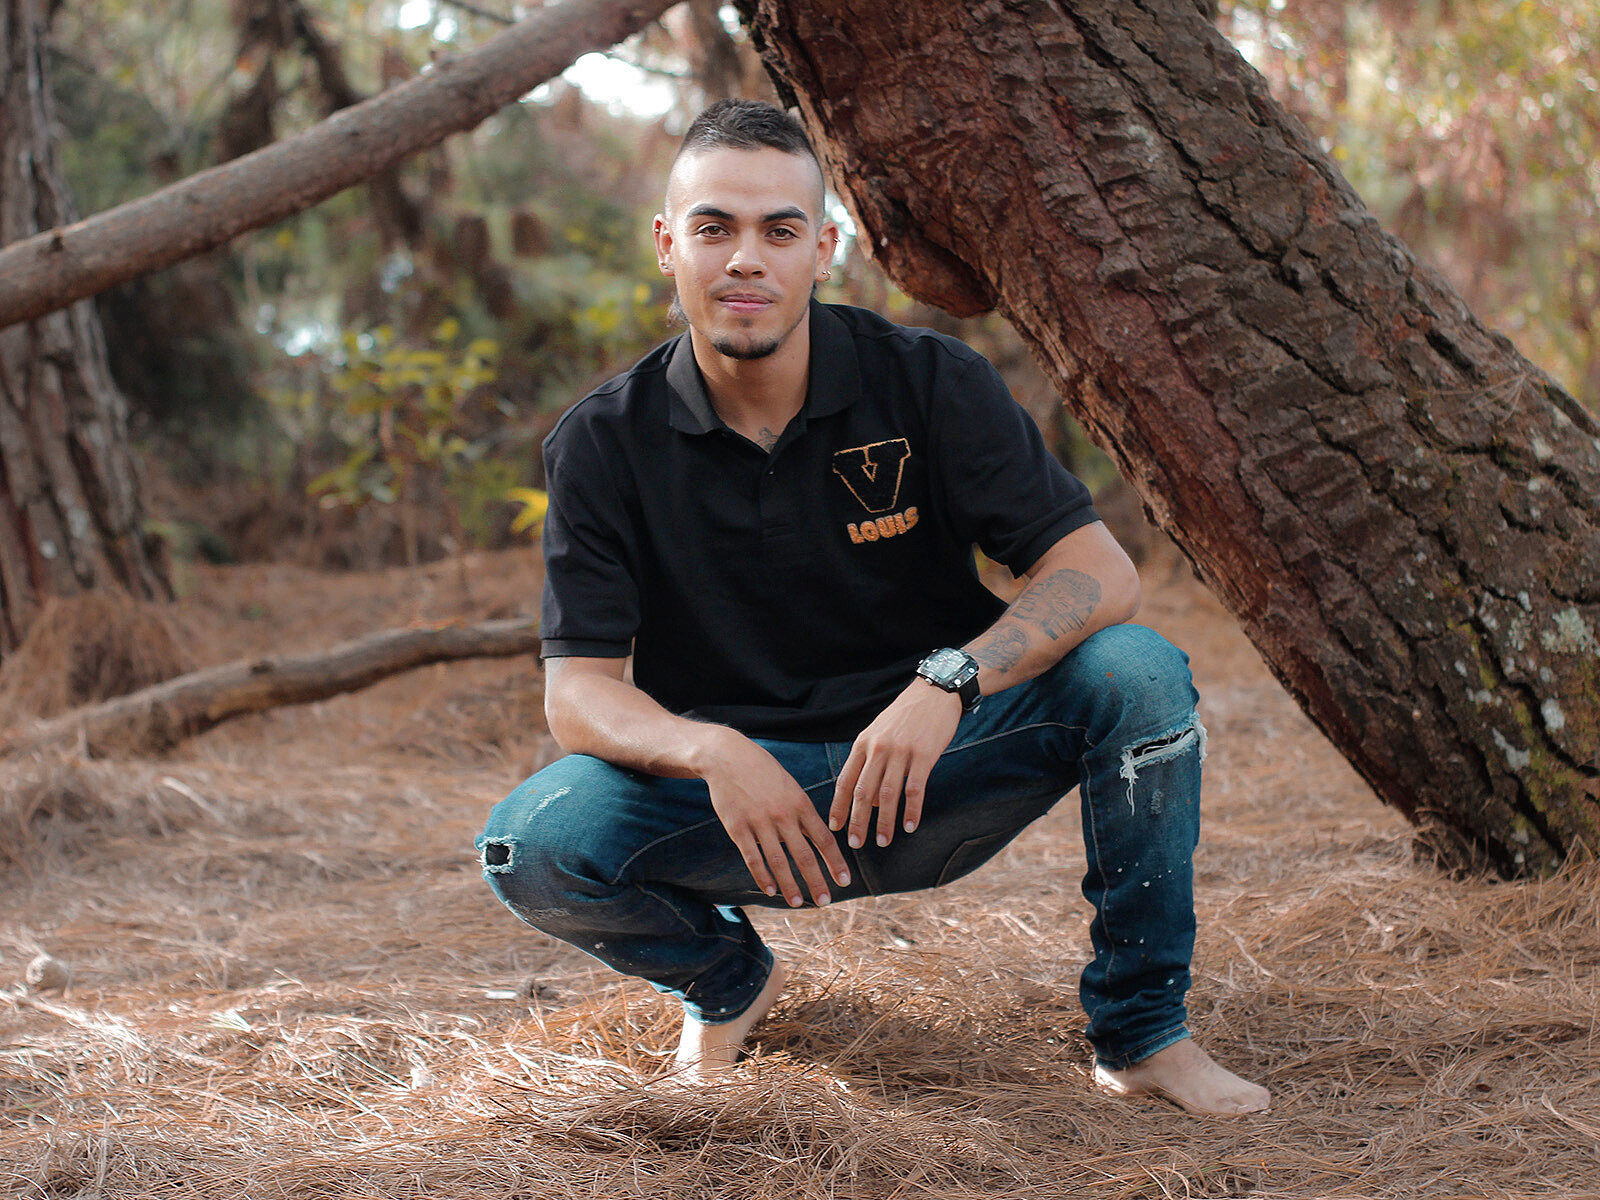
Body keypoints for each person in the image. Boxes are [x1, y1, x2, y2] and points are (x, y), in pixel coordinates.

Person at [477, 99, 1270, 1118]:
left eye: (780, 230)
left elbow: (1099, 571)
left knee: (1139, 671)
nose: (745, 259)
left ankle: (1143, 1033)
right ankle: (726, 982)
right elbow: (578, 693)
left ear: (825, 250)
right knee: (527, 843)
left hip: (943, 764)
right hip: (751, 807)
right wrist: (712, 751)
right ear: (668, 246)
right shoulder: (602, 441)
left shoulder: (927, 382)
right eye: (715, 228)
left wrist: (952, 680)